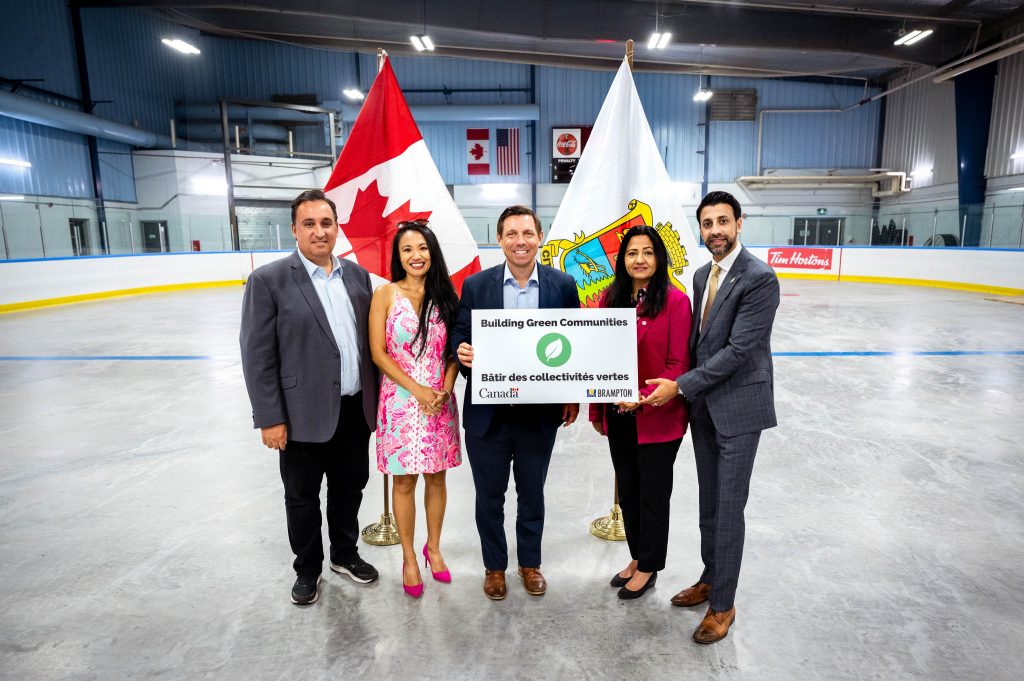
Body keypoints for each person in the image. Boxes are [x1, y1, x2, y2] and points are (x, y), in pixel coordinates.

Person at [642, 190, 780, 643]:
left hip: (738, 408)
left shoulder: (760, 278)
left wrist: (680, 385)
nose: (715, 230)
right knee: (709, 504)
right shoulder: (703, 275)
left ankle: (723, 604)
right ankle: (710, 578)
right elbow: (698, 343)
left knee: (728, 507)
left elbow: (739, 351)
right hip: (704, 407)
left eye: (723, 221)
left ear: (739, 224)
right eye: (707, 223)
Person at [240, 188, 379, 606]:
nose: (319, 231)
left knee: (349, 489)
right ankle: (307, 568)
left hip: (354, 409)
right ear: (294, 229)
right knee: (301, 497)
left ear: (337, 228)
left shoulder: (357, 277)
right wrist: (270, 417)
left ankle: (344, 554)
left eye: (326, 223)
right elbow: (257, 354)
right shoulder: (269, 280)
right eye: (310, 224)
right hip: (300, 414)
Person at [450, 205, 580, 600]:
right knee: (489, 497)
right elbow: (459, 332)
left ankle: (530, 564)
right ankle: (494, 567)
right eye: (511, 234)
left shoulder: (563, 284)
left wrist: (572, 394)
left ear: (539, 237)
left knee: (532, 494)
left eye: (527, 233)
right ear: (499, 239)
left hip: (538, 414)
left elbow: (575, 343)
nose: (519, 241)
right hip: (488, 415)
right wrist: (461, 350)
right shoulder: (476, 285)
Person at [588, 225, 691, 601]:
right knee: (628, 490)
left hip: (658, 417)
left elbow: (678, 363)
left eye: (648, 252)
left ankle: (649, 566)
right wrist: (598, 410)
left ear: (659, 258)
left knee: (652, 494)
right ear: (623, 260)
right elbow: (598, 357)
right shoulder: (610, 298)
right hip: (618, 414)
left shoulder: (676, 301)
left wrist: (643, 397)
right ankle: (637, 555)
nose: (640, 259)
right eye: (632, 253)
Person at [369, 221, 461, 600]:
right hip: (400, 403)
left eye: (422, 248)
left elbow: (455, 350)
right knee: (404, 481)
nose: (416, 255)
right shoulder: (385, 294)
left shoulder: (447, 296)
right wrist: (417, 389)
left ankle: (433, 548)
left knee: (437, 478)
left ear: (432, 252)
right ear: (398, 256)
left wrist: (446, 388)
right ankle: (409, 557)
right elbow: (379, 353)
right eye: (407, 249)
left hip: (439, 400)